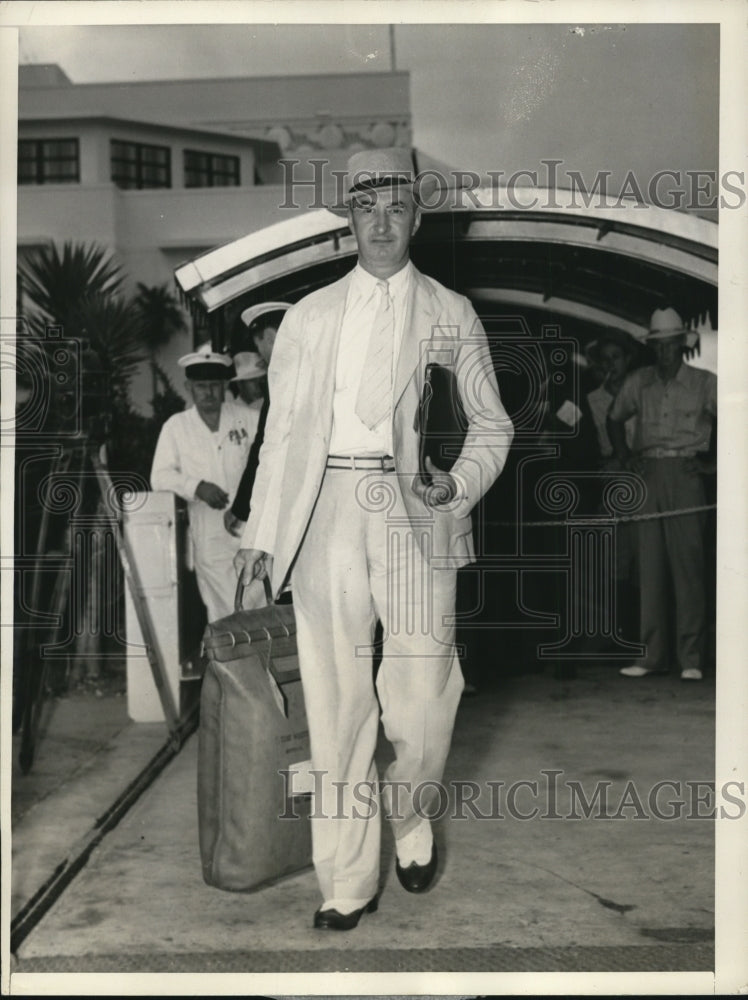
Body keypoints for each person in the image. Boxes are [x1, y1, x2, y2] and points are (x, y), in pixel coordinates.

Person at [234, 148, 514, 930]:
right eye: (367, 209)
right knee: (336, 707)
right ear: (348, 223)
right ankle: (346, 881)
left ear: (416, 218)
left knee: (423, 704)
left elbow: (493, 423)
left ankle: (411, 810)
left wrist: (455, 484)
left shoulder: (451, 311)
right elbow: (282, 436)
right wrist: (262, 534)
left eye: (396, 208)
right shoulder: (309, 316)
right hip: (325, 509)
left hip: (415, 509)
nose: (382, 223)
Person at [607, 307, 717, 682]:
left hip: (686, 475)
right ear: (652, 348)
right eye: (658, 346)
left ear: (682, 344)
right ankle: (651, 656)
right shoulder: (639, 382)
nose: (664, 352)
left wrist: (713, 466)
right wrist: (625, 457)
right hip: (648, 474)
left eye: (670, 345)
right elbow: (614, 418)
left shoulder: (705, 382)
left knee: (689, 568)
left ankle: (691, 658)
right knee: (650, 568)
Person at [150, 345, 252, 622]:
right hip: (210, 533)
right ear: (189, 388)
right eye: (201, 386)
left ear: (225, 386)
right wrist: (196, 487)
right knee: (224, 611)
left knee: (259, 605)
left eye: (215, 386)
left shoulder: (248, 419)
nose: (208, 393)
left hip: (252, 530)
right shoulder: (176, 427)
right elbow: (159, 476)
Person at [223, 303, 290, 538]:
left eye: (259, 347)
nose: (261, 356)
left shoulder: (281, 378)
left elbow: (265, 445)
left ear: (269, 337)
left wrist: (241, 509)